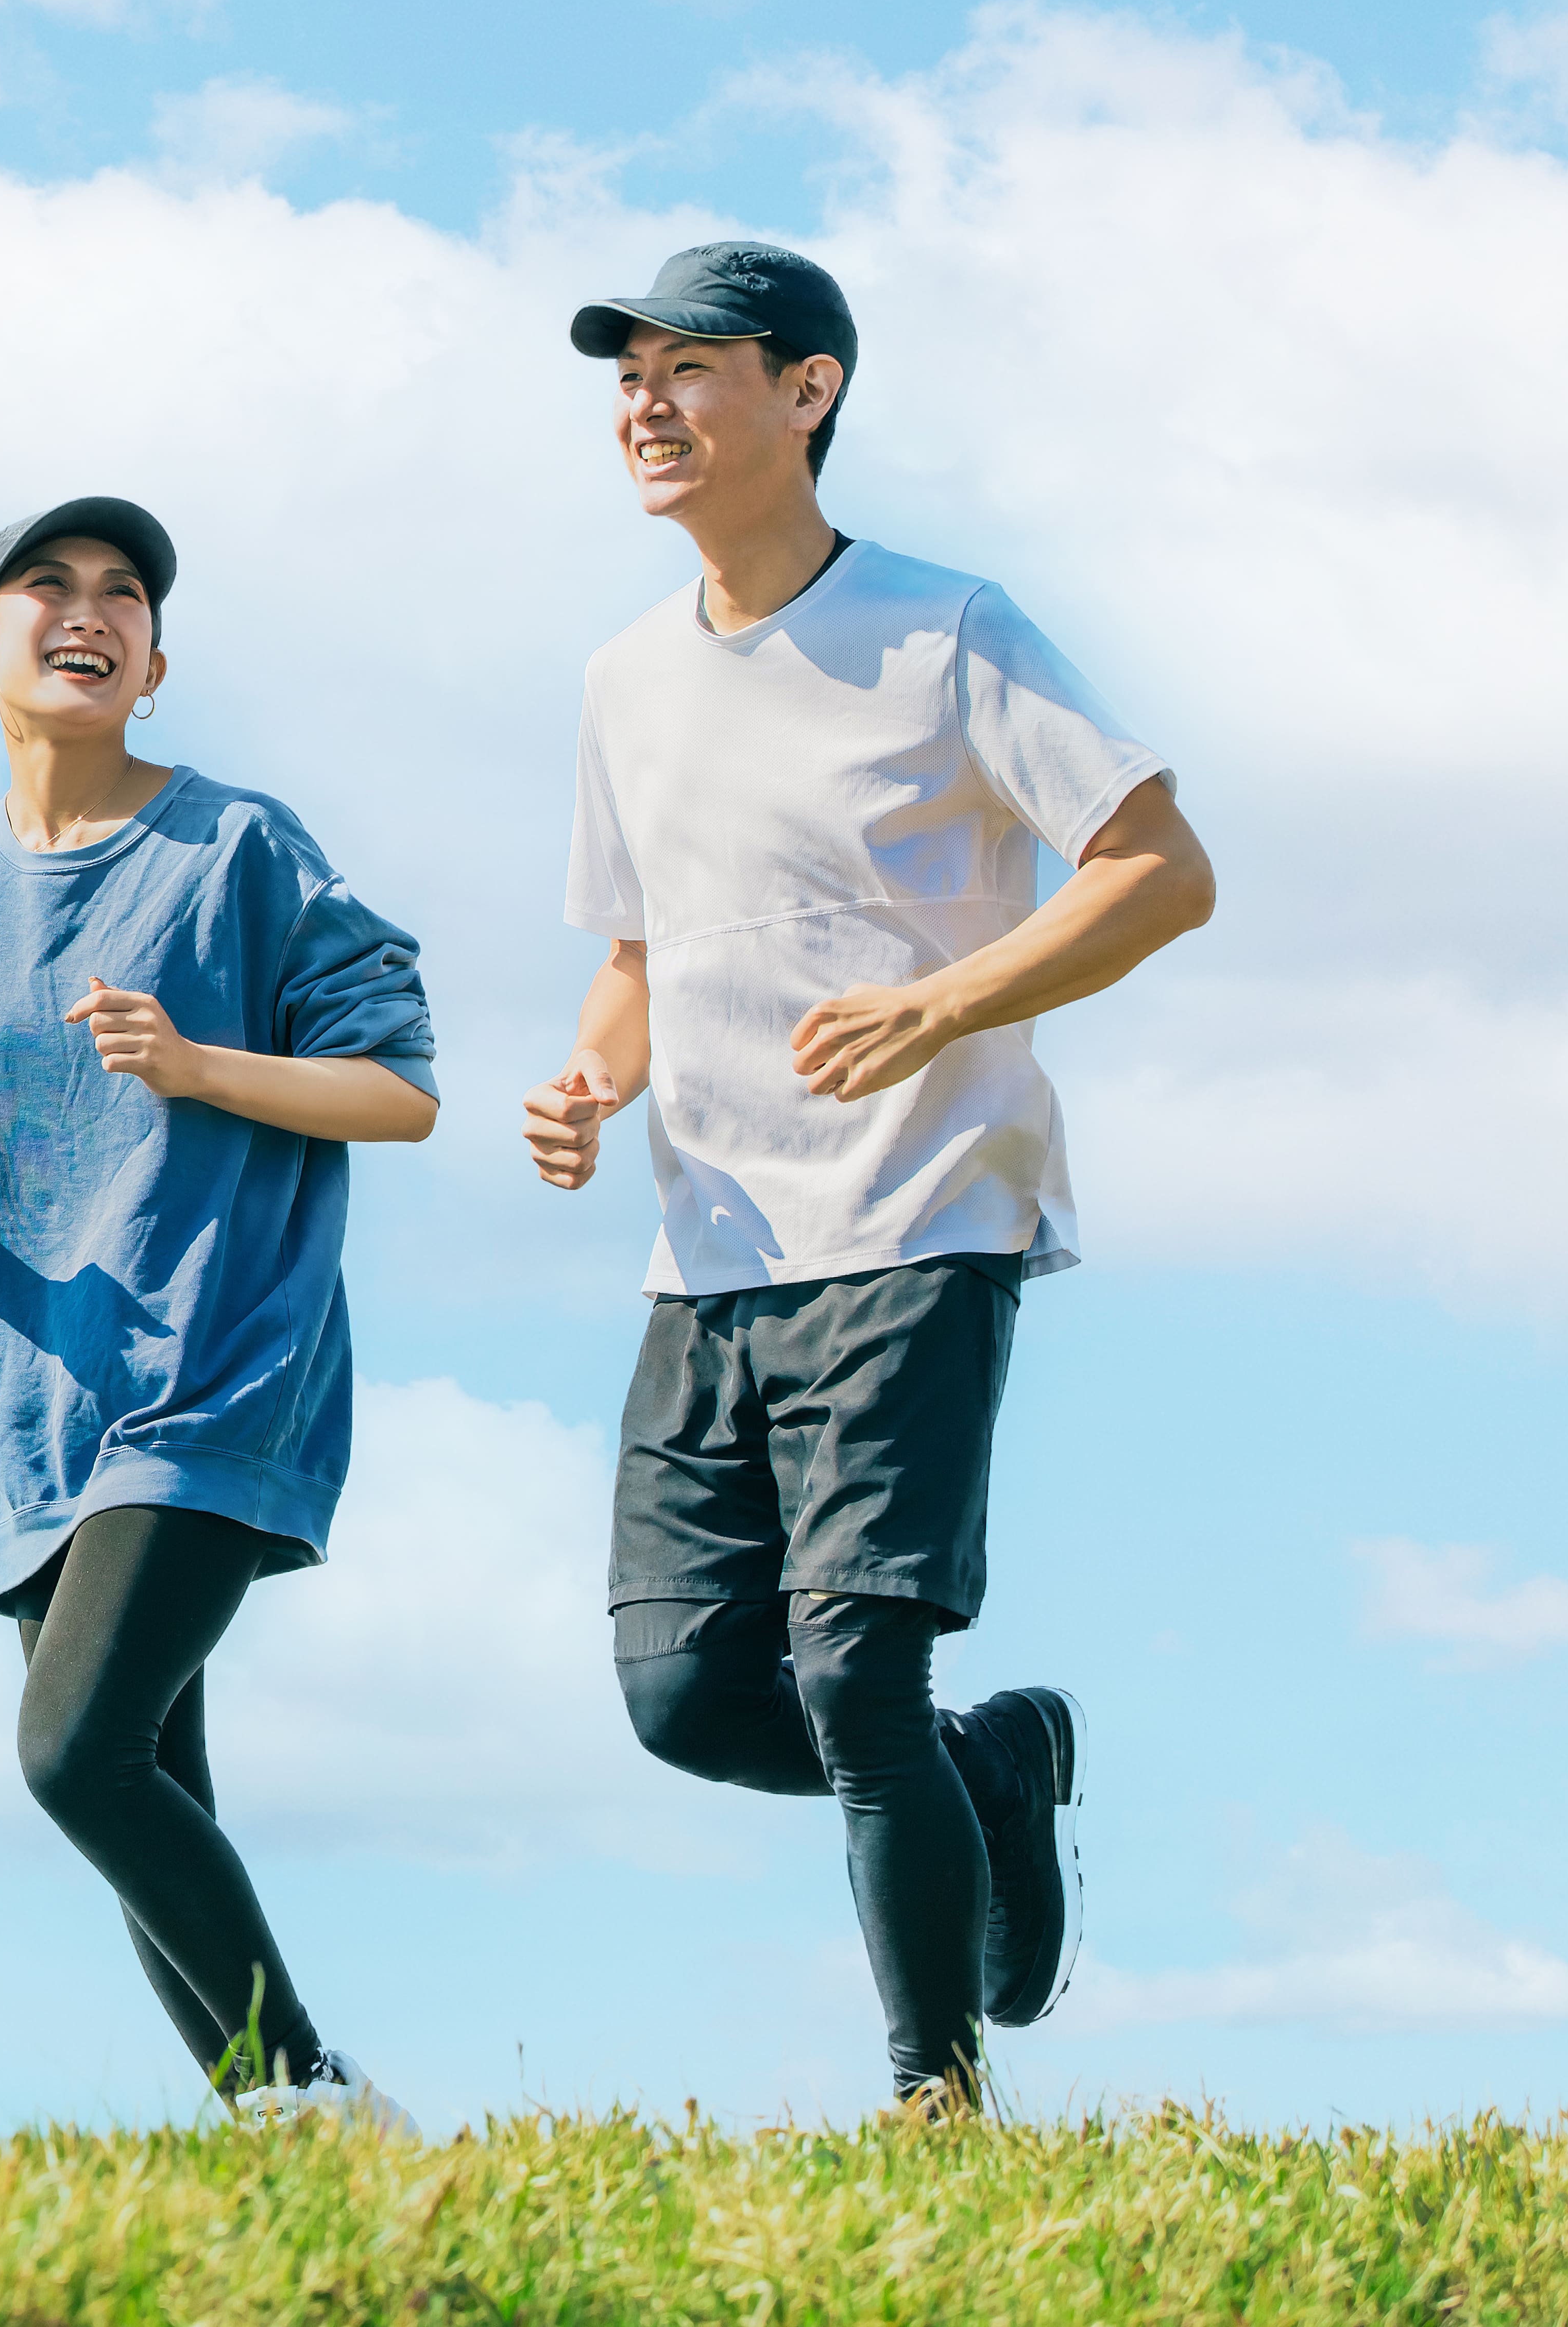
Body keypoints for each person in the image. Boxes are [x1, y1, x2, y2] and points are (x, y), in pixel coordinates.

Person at [516, 243, 1216, 2117]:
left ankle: (934, 2094)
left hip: (920, 1221)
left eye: (690, 368)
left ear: (807, 391)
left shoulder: (949, 627)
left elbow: (1158, 868)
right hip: (711, 1253)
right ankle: (993, 1774)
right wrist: (589, 1086)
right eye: (628, 377)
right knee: (683, 1701)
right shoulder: (621, 679)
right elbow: (643, 957)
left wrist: (944, 1002)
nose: (644, 406)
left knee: (852, 1674)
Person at [0, 496, 439, 2131]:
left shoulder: (240, 850)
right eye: (49, 587)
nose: (89, 611)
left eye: (124, 596)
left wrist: (199, 1063)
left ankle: (316, 2095)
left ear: (154, 663)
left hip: (216, 1375)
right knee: (155, 1787)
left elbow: (400, 1093)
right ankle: (283, 2141)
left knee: (75, 1757)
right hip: (24, 1410)